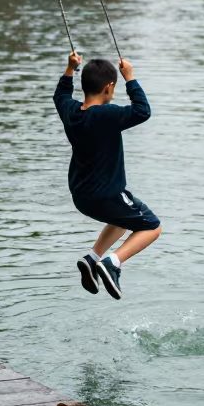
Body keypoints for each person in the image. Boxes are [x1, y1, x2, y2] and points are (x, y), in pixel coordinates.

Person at [54, 52, 161, 300]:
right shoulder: (107, 115)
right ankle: (113, 262)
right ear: (109, 87)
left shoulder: (70, 112)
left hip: (81, 197)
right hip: (108, 195)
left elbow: (60, 95)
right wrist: (131, 78)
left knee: (122, 220)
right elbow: (142, 111)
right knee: (152, 227)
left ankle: (92, 259)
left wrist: (70, 69)